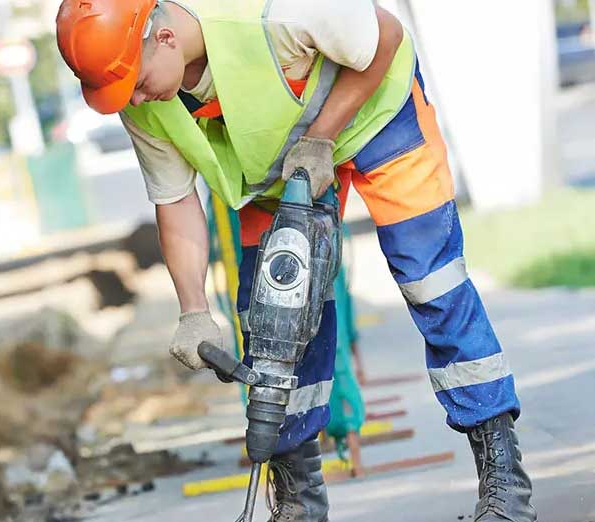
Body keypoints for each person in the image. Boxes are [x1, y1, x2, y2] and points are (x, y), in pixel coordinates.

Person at [55, 0, 537, 520]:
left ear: (165, 38)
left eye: (137, 82)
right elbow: (174, 199)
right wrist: (193, 310)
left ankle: (504, 482)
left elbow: (386, 36)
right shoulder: (138, 93)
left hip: (378, 114)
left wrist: (323, 137)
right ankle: (298, 504)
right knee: (274, 324)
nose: (136, 97)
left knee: (431, 282)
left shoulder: (273, 10)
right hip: (281, 170)